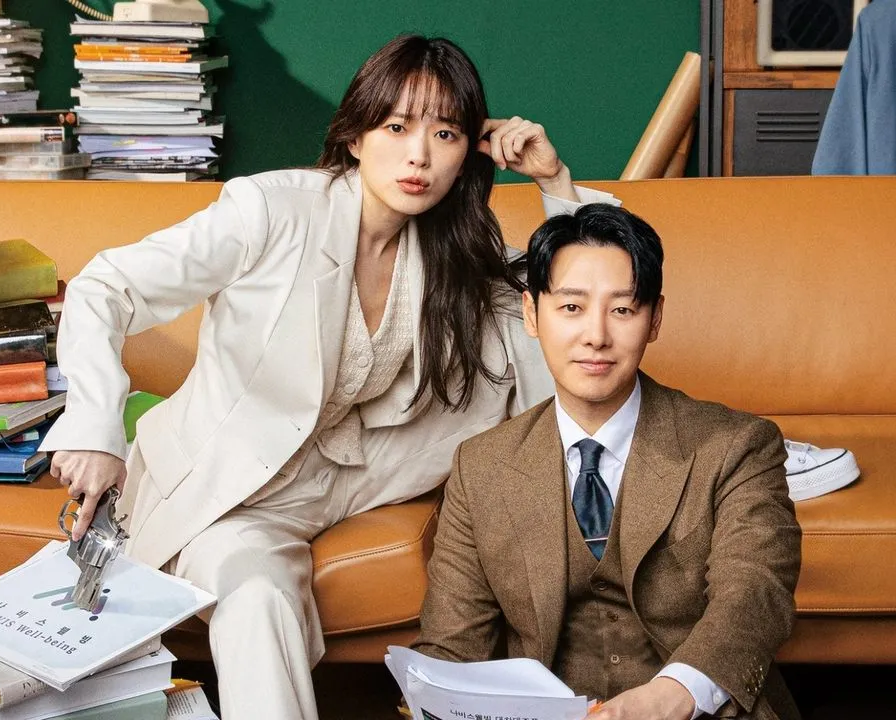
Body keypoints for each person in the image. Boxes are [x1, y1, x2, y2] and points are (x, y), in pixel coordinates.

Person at [37, 34, 618, 720]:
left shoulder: (458, 243)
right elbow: (105, 286)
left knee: (542, 346)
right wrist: (95, 426)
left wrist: (554, 182)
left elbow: (585, 299)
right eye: (396, 127)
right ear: (354, 136)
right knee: (256, 597)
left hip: (361, 479)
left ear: (469, 152)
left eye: (445, 133)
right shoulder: (270, 211)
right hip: (236, 496)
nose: (419, 156)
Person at [413, 204, 802, 720]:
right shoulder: (480, 467)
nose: (596, 335)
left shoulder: (738, 445)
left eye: (622, 310)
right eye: (571, 307)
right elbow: (452, 649)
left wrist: (669, 698)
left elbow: (755, 594)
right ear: (531, 314)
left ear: (654, 319)